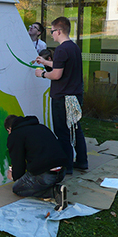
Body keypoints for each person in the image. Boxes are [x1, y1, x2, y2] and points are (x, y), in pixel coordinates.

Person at [35, 17, 88, 174]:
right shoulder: (73, 48)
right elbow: (62, 65)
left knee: (63, 132)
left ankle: (67, 166)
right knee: (75, 129)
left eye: (52, 31)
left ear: (58, 31)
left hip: (62, 98)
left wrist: (42, 74)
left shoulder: (61, 50)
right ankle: (82, 161)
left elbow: (57, 75)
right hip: (75, 97)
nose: (51, 35)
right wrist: (46, 62)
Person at [4, 115, 68, 211]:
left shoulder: (15, 134)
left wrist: (14, 176)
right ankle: (53, 187)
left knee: (17, 189)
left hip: (46, 175)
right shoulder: (41, 127)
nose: (9, 134)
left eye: (8, 131)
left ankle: (54, 192)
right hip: (62, 171)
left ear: (10, 128)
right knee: (37, 174)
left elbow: (18, 162)